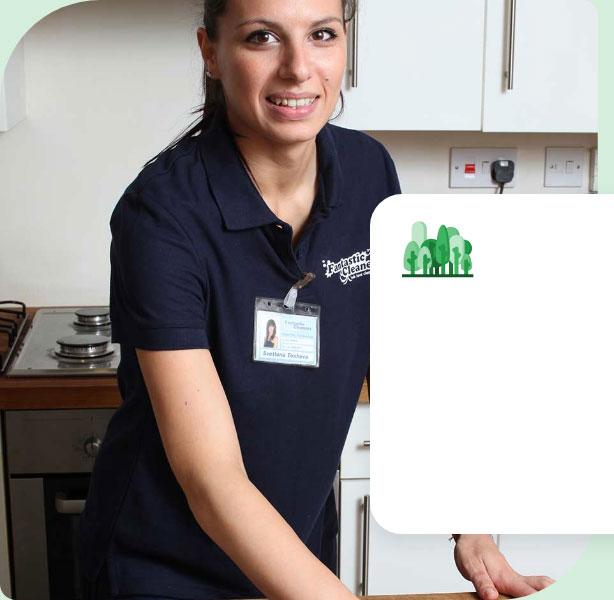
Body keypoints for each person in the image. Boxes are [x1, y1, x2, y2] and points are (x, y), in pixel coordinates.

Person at [77, 0, 555, 599]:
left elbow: (401, 361)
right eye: (262, 38)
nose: (299, 68)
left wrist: (469, 522)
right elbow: (212, 480)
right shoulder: (162, 216)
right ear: (211, 52)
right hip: (165, 570)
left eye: (322, 34)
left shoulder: (368, 173)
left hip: (296, 555)